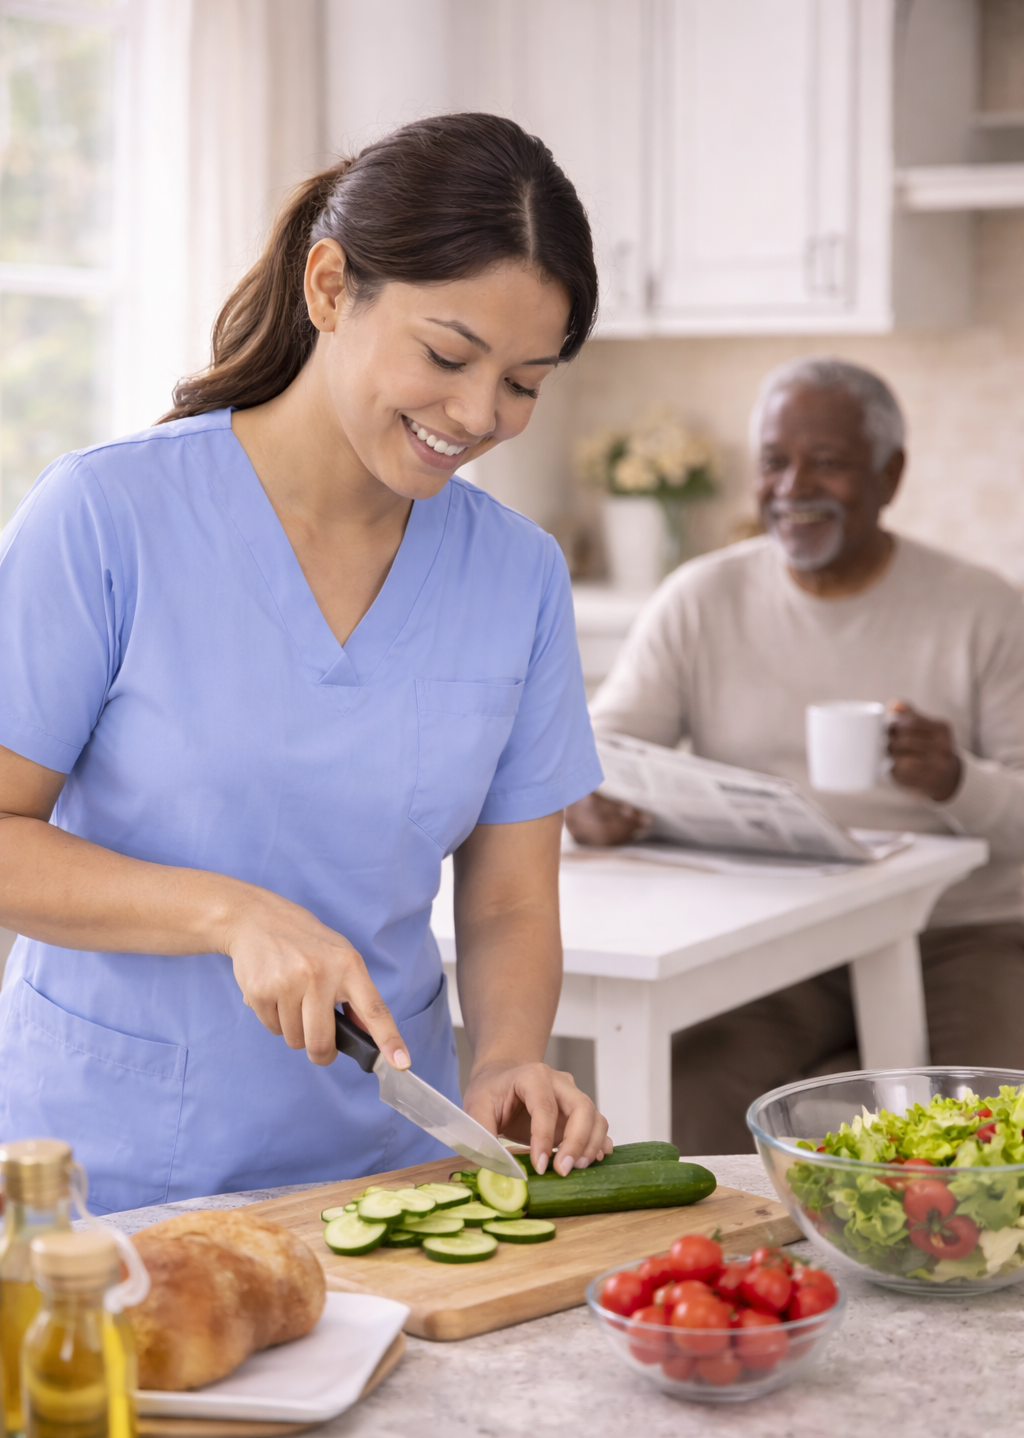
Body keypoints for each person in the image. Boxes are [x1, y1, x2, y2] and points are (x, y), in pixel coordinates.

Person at [0, 114, 611, 1213]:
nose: (478, 415)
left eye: (525, 382)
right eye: (447, 355)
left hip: (387, 1175)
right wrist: (229, 914)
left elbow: (512, 895)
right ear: (330, 288)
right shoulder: (106, 516)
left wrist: (509, 1059)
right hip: (110, 1179)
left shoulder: (517, 575)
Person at [567, 357, 1024, 1153]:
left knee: (975, 1143)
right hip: (778, 933)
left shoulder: (983, 611)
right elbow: (599, 749)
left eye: (829, 463)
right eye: (775, 462)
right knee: (686, 1109)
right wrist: (589, 805)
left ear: (891, 475)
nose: (792, 486)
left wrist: (958, 779)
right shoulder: (702, 598)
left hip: (959, 932)